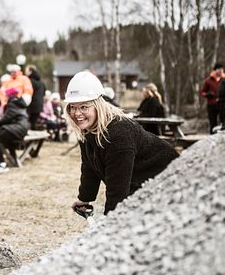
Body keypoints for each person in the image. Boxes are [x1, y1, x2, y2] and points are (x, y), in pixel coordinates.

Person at [65, 71, 178, 215]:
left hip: (167, 179)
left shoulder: (118, 135)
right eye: (73, 107)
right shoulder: (87, 130)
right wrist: (84, 199)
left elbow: (118, 191)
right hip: (140, 184)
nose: (77, 113)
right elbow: (89, 165)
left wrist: (110, 225)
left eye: (84, 107)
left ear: (98, 105)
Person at [0, 87, 30, 171]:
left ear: (10, 95)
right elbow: (8, 119)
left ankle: (0, 163)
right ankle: (1, 162)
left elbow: (4, 120)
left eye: (6, 95)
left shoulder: (13, 103)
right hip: (20, 128)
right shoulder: (18, 102)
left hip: (17, 128)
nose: (5, 96)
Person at [200, 63, 225, 134]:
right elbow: (202, 92)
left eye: (222, 69)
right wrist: (208, 94)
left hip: (222, 104)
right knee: (213, 124)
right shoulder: (208, 80)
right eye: (219, 69)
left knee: (222, 123)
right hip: (211, 105)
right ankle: (211, 138)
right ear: (215, 70)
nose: (220, 71)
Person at [25, 65, 46, 129]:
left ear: (30, 71)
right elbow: (44, 93)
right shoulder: (41, 82)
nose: (25, 72)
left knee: (29, 122)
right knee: (33, 122)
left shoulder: (29, 81)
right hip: (39, 105)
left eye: (27, 70)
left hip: (31, 105)